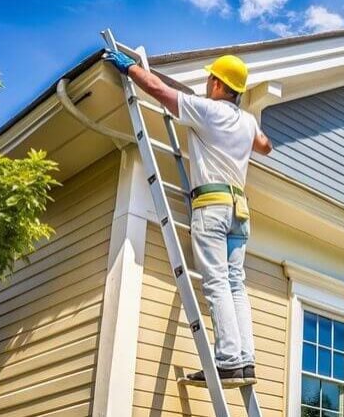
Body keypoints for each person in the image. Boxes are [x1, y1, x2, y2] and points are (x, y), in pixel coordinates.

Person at [104, 49, 273, 387]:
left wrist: (130, 68)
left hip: (212, 206)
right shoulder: (247, 121)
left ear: (217, 84)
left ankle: (227, 360)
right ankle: (245, 361)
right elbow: (265, 145)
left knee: (216, 282)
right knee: (236, 284)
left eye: (212, 78)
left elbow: (158, 90)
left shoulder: (207, 111)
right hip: (240, 210)